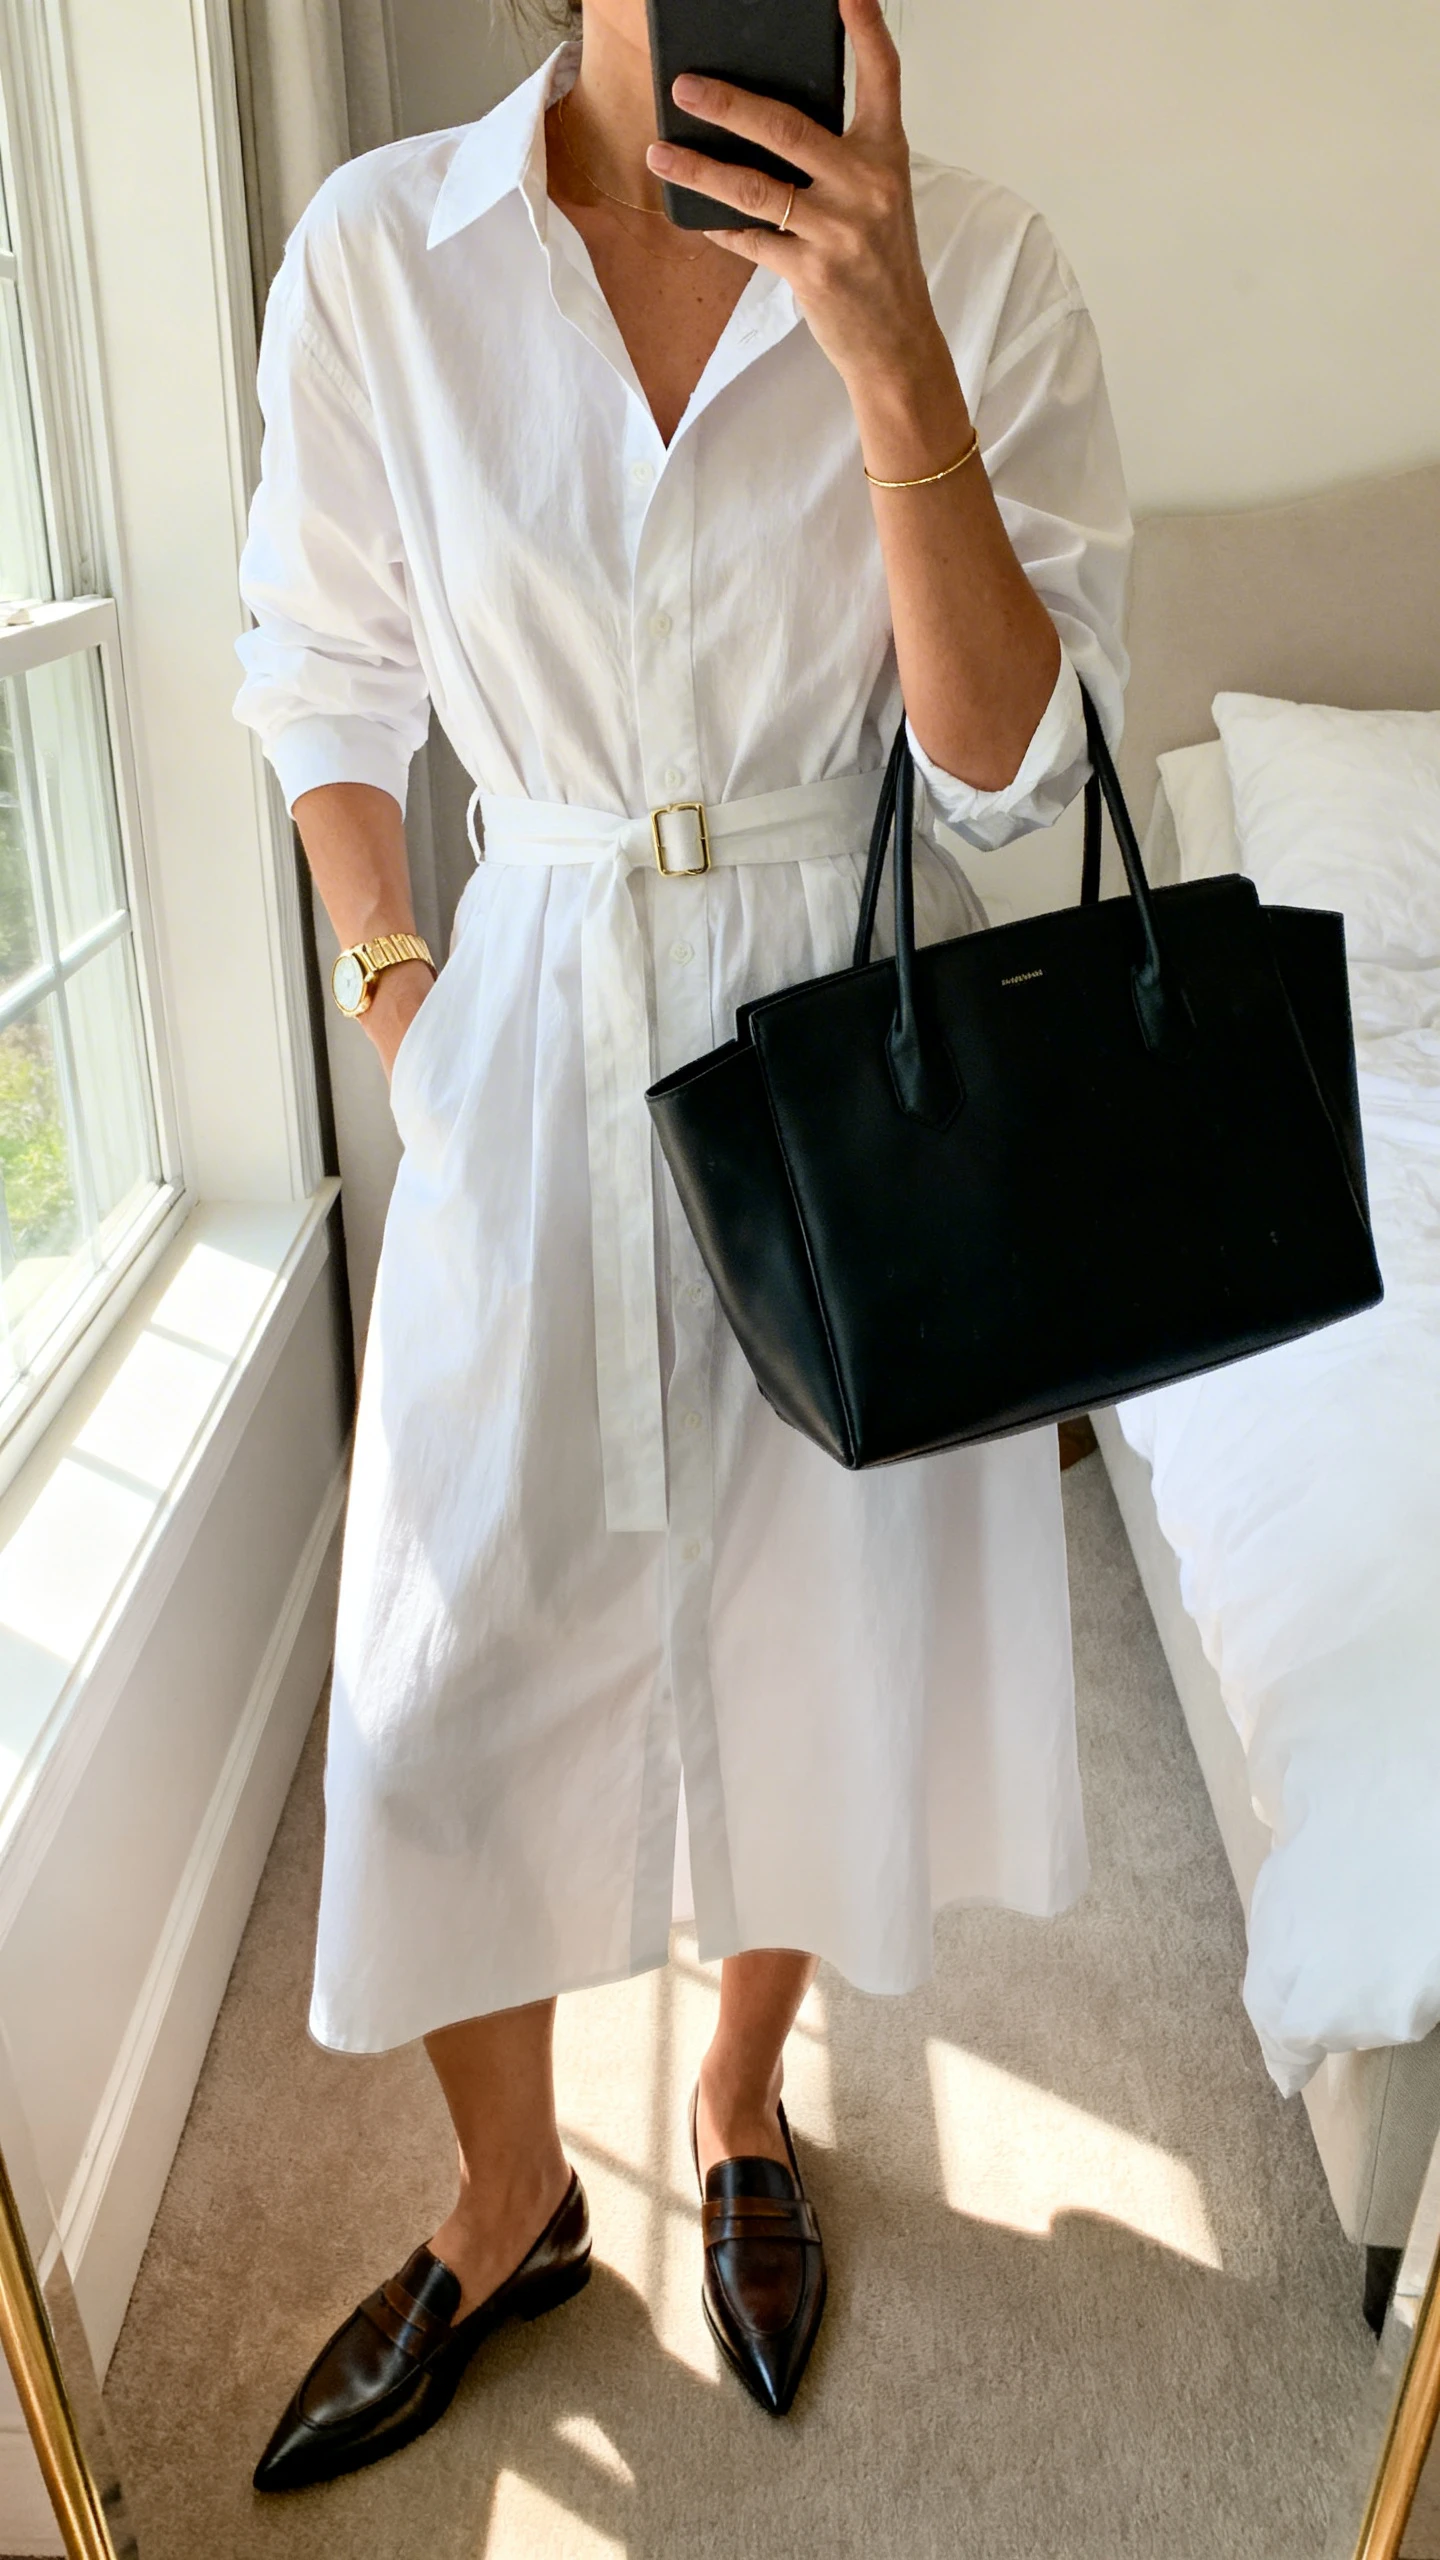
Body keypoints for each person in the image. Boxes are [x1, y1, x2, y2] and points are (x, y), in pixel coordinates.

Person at [234, 0, 1130, 2491]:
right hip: (519, 1034)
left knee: (810, 1613)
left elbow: (1009, 772)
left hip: (848, 1041)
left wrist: (889, 347)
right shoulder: (385, 252)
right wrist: (400, 993)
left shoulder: (983, 268)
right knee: (446, 1672)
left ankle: (738, 2096)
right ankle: (510, 2191)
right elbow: (319, 669)